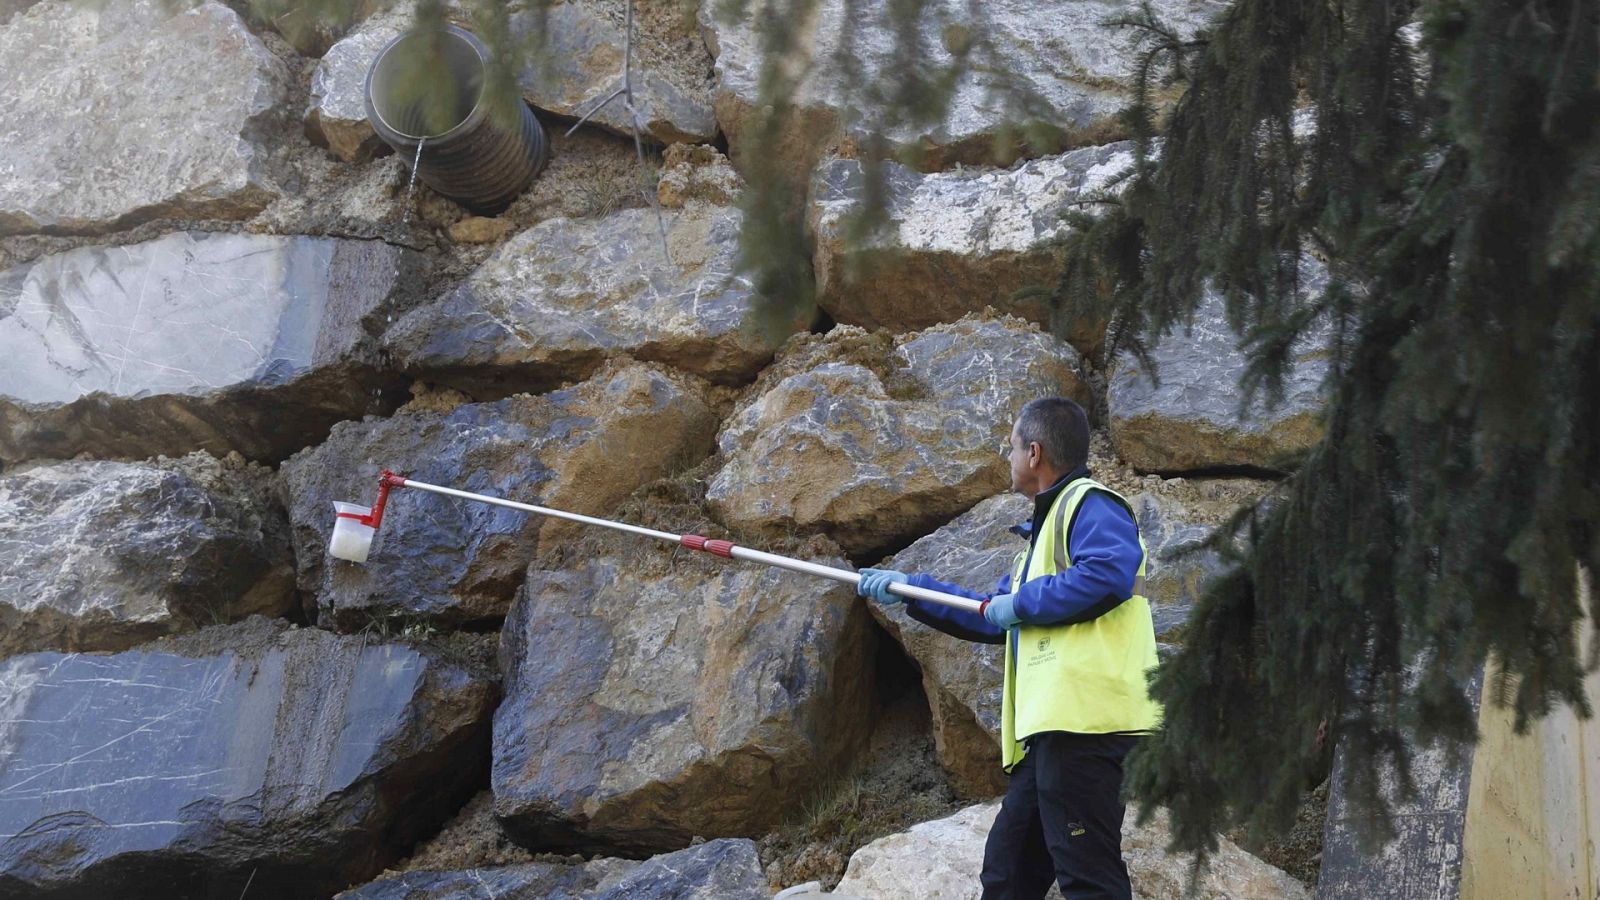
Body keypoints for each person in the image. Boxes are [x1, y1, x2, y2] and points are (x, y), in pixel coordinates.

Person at [856, 397, 1161, 900]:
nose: (1007, 456)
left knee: (1089, 877)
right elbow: (990, 612)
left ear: (1035, 452)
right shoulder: (1039, 544)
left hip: (1089, 726)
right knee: (1008, 873)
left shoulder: (1090, 503)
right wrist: (910, 590)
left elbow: (1107, 574)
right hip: (1054, 735)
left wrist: (1019, 604)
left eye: (1012, 446)